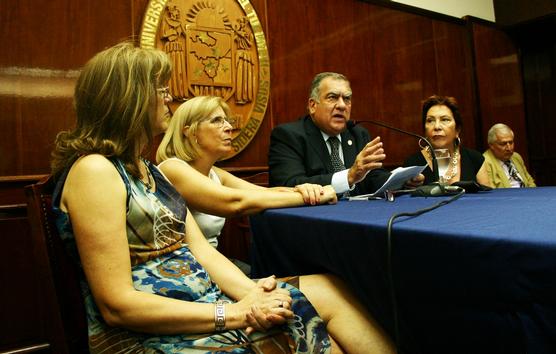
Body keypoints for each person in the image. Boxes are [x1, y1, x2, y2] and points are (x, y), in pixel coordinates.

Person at [50, 41, 395, 353]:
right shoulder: (95, 170)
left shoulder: (149, 170)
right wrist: (231, 312)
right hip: (156, 332)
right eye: (160, 89)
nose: (169, 97)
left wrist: (252, 293)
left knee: (327, 288)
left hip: (203, 298)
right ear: (129, 97)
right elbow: (117, 305)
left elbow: (201, 252)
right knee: (299, 320)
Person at [156, 95, 337, 252]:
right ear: (189, 131)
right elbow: (236, 203)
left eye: (226, 120)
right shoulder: (172, 168)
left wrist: (307, 190)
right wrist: (313, 198)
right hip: (185, 273)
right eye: (217, 120)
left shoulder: (215, 174)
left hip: (213, 267)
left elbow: (264, 193)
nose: (228, 127)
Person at [268, 72, 423, 197]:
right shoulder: (288, 136)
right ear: (313, 105)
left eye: (347, 99)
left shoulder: (357, 133)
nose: (342, 105)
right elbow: (288, 184)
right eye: (332, 97)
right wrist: (349, 176)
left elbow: (373, 177)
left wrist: (402, 180)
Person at [404, 95, 492, 186]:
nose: (437, 127)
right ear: (425, 131)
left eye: (445, 120)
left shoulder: (474, 159)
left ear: (457, 130)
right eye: (430, 121)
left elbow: (488, 198)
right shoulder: (412, 164)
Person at [483, 123, 536, 188]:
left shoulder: (516, 157)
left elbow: (530, 182)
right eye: (503, 144)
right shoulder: (484, 161)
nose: (509, 148)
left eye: (511, 142)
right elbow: (492, 192)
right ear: (491, 145)